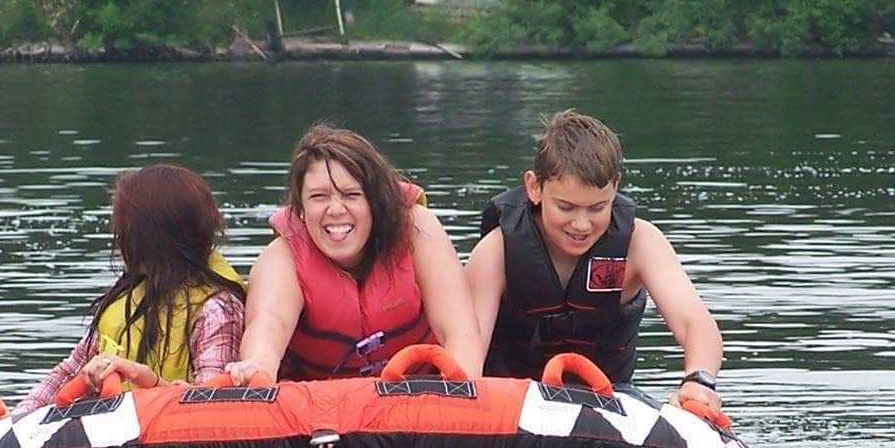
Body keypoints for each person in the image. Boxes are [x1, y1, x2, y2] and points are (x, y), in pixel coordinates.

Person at [464, 110, 723, 413]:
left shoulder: (641, 243)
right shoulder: (496, 252)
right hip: (508, 401)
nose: (581, 224)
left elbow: (695, 323)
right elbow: (468, 346)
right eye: (566, 207)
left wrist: (699, 381)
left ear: (616, 186)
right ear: (534, 187)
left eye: (597, 208)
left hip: (612, 396)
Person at [225, 124, 484, 383]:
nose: (336, 209)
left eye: (351, 195)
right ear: (300, 210)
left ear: (375, 202)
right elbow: (269, 325)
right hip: (320, 401)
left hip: (420, 393)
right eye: (319, 196)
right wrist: (258, 367)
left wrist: (459, 387)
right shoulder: (281, 258)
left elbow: (458, 330)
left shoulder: (418, 229)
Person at [16, 163, 245, 409]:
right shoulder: (125, 299)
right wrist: (18, 416)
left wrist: (143, 377)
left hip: (174, 430)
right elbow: (69, 371)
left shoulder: (216, 308)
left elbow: (210, 404)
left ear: (143, 239)